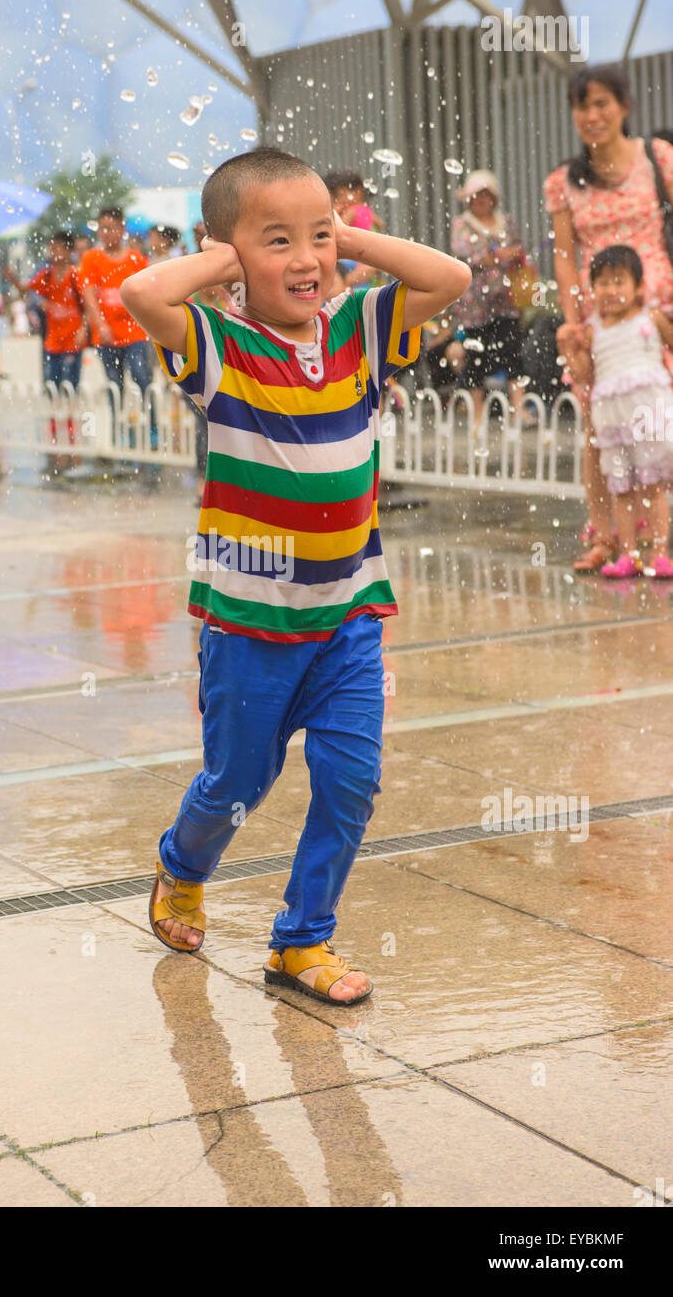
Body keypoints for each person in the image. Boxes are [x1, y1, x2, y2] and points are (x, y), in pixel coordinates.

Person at [120, 147, 471, 1004]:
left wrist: (342, 237)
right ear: (231, 258)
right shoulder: (219, 347)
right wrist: (228, 261)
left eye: (318, 238)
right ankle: (181, 863)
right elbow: (141, 296)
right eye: (277, 241)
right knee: (239, 782)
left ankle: (300, 941)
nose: (307, 260)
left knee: (351, 782)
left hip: (350, 614)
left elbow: (450, 276)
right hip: (249, 624)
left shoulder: (358, 329)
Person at [545, 63, 673, 571]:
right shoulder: (563, 182)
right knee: (602, 433)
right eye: (583, 105)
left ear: (624, 106)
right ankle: (607, 538)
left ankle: (659, 540)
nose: (592, 115)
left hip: (660, 320)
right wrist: (575, 322)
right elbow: (563, 255)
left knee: (663, 427)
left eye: (602, 103)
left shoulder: (657, 157)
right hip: (605, 330)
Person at [561, 245, 673, 578]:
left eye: (618, 281)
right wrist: (567, 348)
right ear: (592, 289)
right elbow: (582, 374)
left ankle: (660, 553)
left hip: (648, 417)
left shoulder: (651, 318)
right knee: (620, 488)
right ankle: (629, 554)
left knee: (653, 487)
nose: (610, 290)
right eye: (603, 283)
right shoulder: (593, 331)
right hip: (612, 420)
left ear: (638, 286)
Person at [449, 170, 530, 431]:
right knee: (475, 356)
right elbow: (464, 256)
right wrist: (494, 256)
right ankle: (477, 415)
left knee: (513, 352)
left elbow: (518, 248)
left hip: (506, 300)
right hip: (474, 304)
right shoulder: (462, 223)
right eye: (476, 195)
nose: (481, 200)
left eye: (486, 195)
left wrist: (512, 255)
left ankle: (519, 410)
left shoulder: (505, 221)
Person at [78, 208, 153, 451]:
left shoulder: (136, 260)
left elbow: (146, 294)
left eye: (111, 227)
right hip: (107, 336)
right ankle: (119, 432)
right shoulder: (91, 259)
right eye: (102, 228)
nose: (106, 233)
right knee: (113, 385)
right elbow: (89, 296)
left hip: (135, 334)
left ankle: (150, 429)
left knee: (143, 379)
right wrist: (100, 324)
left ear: (121, 229)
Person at [5, 231, 92, 391]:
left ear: (68, 251)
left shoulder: (76, 276)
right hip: (53, 339)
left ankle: (70, 415)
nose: (53, 252)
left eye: (57, 248)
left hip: (73, 340)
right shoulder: (46, 275)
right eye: (51, 248)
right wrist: (13, 279)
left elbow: (88, 306)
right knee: (53, 383)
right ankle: (56, 415)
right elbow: (25, 290)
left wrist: (83, 329)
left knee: (71, 385)